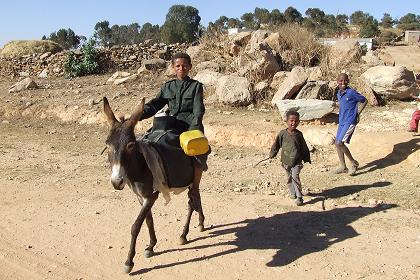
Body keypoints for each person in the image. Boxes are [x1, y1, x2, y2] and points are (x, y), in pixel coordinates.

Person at [139, 52, 206, 211]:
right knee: (146, 141)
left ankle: (194, 188)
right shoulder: (167, 87)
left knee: (199, 153)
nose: (181, 68)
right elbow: (154, 105)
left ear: (189, 67)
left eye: (184, 65)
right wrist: (138, 115)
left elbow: (198, 111)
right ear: (173, 68)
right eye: (178, 66)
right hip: (170, 124)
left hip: (189, 126)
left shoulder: (196, 87)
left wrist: (195, 131)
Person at [269, 111, 311, 206]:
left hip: (297, 161)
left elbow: (304, 147)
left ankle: (299, 197)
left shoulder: (299, 135)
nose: (293, 123)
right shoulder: (282, 133)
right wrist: (272, 154)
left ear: (299, 122)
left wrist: (306, 158)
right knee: (289, 178)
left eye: (296, 121)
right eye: (291, 121)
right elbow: (276, 145)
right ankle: (293, 193)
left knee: (295, 177)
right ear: (286, 121)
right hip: (286, 161)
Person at [334, 73, 367, 176]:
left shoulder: (351, 92)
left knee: (340, 143)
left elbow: (364, 100)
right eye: (341, 81)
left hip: (350, 121)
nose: (343, 82)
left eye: (345, 80)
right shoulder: (339, 93)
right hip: (342, 121)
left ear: (348, 81)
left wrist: (358, 113)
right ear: (337, 82)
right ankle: (343, 167)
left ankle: (353, 163)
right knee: (336, 143)